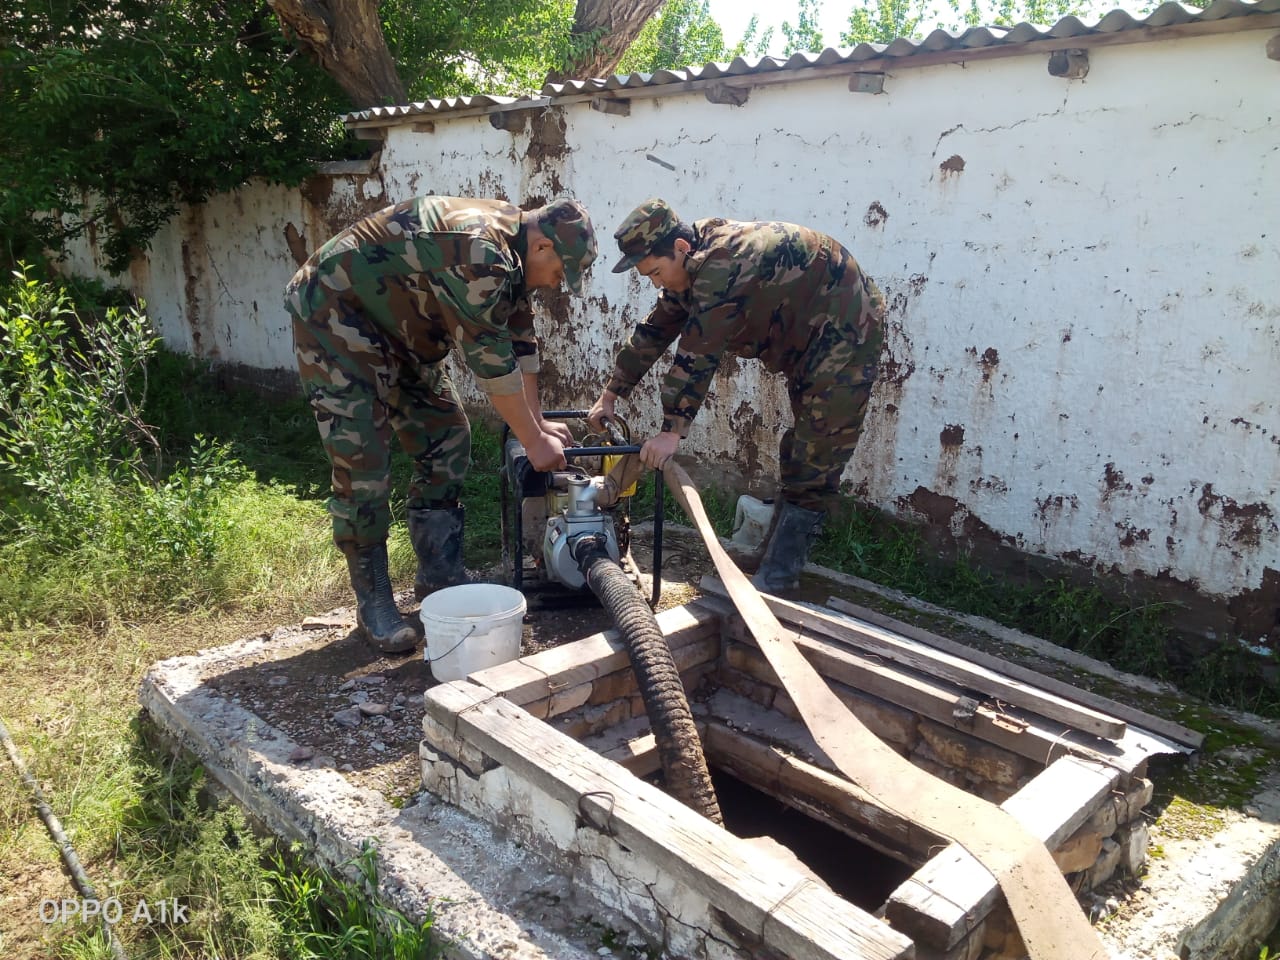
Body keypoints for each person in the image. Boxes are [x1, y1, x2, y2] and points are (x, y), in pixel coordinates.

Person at [285, 196, 597, 653]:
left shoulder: (513, 254)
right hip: (336, 317)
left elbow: (519, 344)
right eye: (558, 273)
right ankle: (374, 602)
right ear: (544, 245)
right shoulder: (480, 250)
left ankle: (439, 576)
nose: (555, 284)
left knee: (447, 436)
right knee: (363, 459)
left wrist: (539, 423)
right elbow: (491, 364)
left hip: (402, 330)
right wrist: (532, 442)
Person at [588, 198, 884, 592]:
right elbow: (659, 326)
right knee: (801, 448)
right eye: (649, 277)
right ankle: (772, 557)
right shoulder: (691, 260)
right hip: (810, 335)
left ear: (679, 248)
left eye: (656, 272)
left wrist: (672, 430)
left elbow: (699, 349)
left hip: (847, 327)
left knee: (817, 452)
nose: (657, 283)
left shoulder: (722, 263)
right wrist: (612, 390)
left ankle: (779, 575)